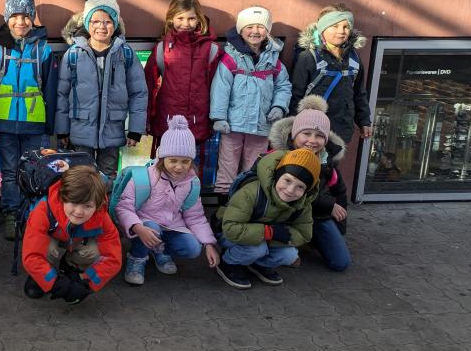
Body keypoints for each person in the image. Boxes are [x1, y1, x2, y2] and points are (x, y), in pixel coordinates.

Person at [0, 0, 58, 240]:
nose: (21, 21)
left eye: (26, 16)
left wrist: (50, 125)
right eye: (15, 16)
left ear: (32, 18)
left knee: (34, 171)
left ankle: (32, 215)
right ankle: (11, 215)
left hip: (34, 123)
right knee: (9, 172)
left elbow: (50, 90)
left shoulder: (43, 50)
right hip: (4, 123)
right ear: (7, 18)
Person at [113, 116, 220, 285]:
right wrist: (137, 227)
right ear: (162, 157)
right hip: (144, 224)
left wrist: (208, 244)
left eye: (185, 161)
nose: (179, 167)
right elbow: (124, 207)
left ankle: (160, 250)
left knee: (193, 248)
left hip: (171, 225)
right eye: (173, 160)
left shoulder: (192, 183)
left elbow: (195, 216)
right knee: (152, 228)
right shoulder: (145, 177)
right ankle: (137, 257)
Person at [56, 0, 148, 182]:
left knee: (108, 179)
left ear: (115, 23)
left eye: (107, 21)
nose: (101, 27)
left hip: (112, 131)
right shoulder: (74, 54)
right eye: (95, 21)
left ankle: (105, 203)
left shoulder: (126, 54)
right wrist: (62, 129)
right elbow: (62, 94)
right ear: (87, 23)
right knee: (81, 180)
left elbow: (138, 93)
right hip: (80, 129)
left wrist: (135, 129)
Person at [210, 6, 291, 193]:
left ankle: (247, 200)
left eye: (261, 27)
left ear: (267, 30)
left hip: (261, 125)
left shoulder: (274, 59)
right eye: (249, 27)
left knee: (253, 169)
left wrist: (279, 106)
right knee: (227, 167)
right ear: (241, 30)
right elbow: (220, 88)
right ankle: (224, 202)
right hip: (233, 126)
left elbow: (283, 86)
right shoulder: (231, 58)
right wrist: (219, 117)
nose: (255, 31)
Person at [215, 149, 320, 289]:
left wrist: (276, 235)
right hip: (227, 233)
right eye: (287, 180)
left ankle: (257, 264)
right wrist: (269, 232)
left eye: (300, 187)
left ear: (307, 190)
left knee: (289, 255)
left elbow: (304, 233)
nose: (290, 190)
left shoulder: (303, 203)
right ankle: (228, 262)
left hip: (265, 237)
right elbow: (230, 228)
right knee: (257, 249)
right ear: (278, 175)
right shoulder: (251, 192)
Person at [270, 96, 351, 271]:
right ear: (294, 135)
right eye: (306, 133)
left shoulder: (327, 160)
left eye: (319, 135)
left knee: (340, 262)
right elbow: (291, 193)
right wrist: (328, 205)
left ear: (326, 140)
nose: (312, 140)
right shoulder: (279, 157)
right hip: (283, 213)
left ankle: (310, 239)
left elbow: (340, 192)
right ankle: (289, 245)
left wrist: (338, 230)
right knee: (286, 253)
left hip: (317, 216)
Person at [21, 165, 122, 304]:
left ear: (98, 205)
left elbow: (113, 258)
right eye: (74, 203)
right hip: (51, 237)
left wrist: (88, 284)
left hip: (75, 239)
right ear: (63, 197)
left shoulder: (101, 214)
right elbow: (31, 255)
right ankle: (40, 276)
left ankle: (71, 267)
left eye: (87, 206)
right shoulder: (43, 209)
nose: (79, 212)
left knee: (95, 252)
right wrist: (55, 283)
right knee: (45, 250)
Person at [146, 0, 220, 161]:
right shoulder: (162, 48)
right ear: (171, 19)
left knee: (191, 167)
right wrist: (146, 119)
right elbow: (148, 85)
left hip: (196, 121)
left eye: (191, 18)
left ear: (199, 19)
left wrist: (214, 119)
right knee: (164, 164)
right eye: (180, 18)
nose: (186, 24)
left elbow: (217, 88)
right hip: (167, 119)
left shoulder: (211, 49)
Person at [290, 3, 372, 143]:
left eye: (346, 27)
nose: (341, 31)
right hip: (312, 131)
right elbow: (295, 94)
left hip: (341, 131)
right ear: (323, 28)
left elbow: (359, 93)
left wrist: (364, 120)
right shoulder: (309, 57)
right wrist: (292, 127)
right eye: (334, 26)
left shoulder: (354, 58)